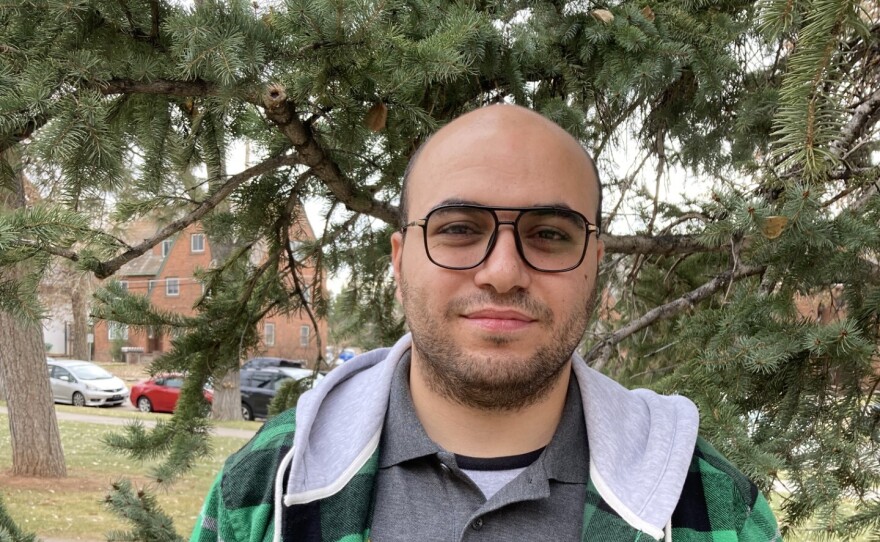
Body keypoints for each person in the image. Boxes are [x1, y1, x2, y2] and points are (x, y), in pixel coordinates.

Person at [192, 105, 781, 542]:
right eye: (458, 228)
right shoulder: (265, 487)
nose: (502, 273)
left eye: (548, 234)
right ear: (400, 259)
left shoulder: (715, 507)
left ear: (595, 265)